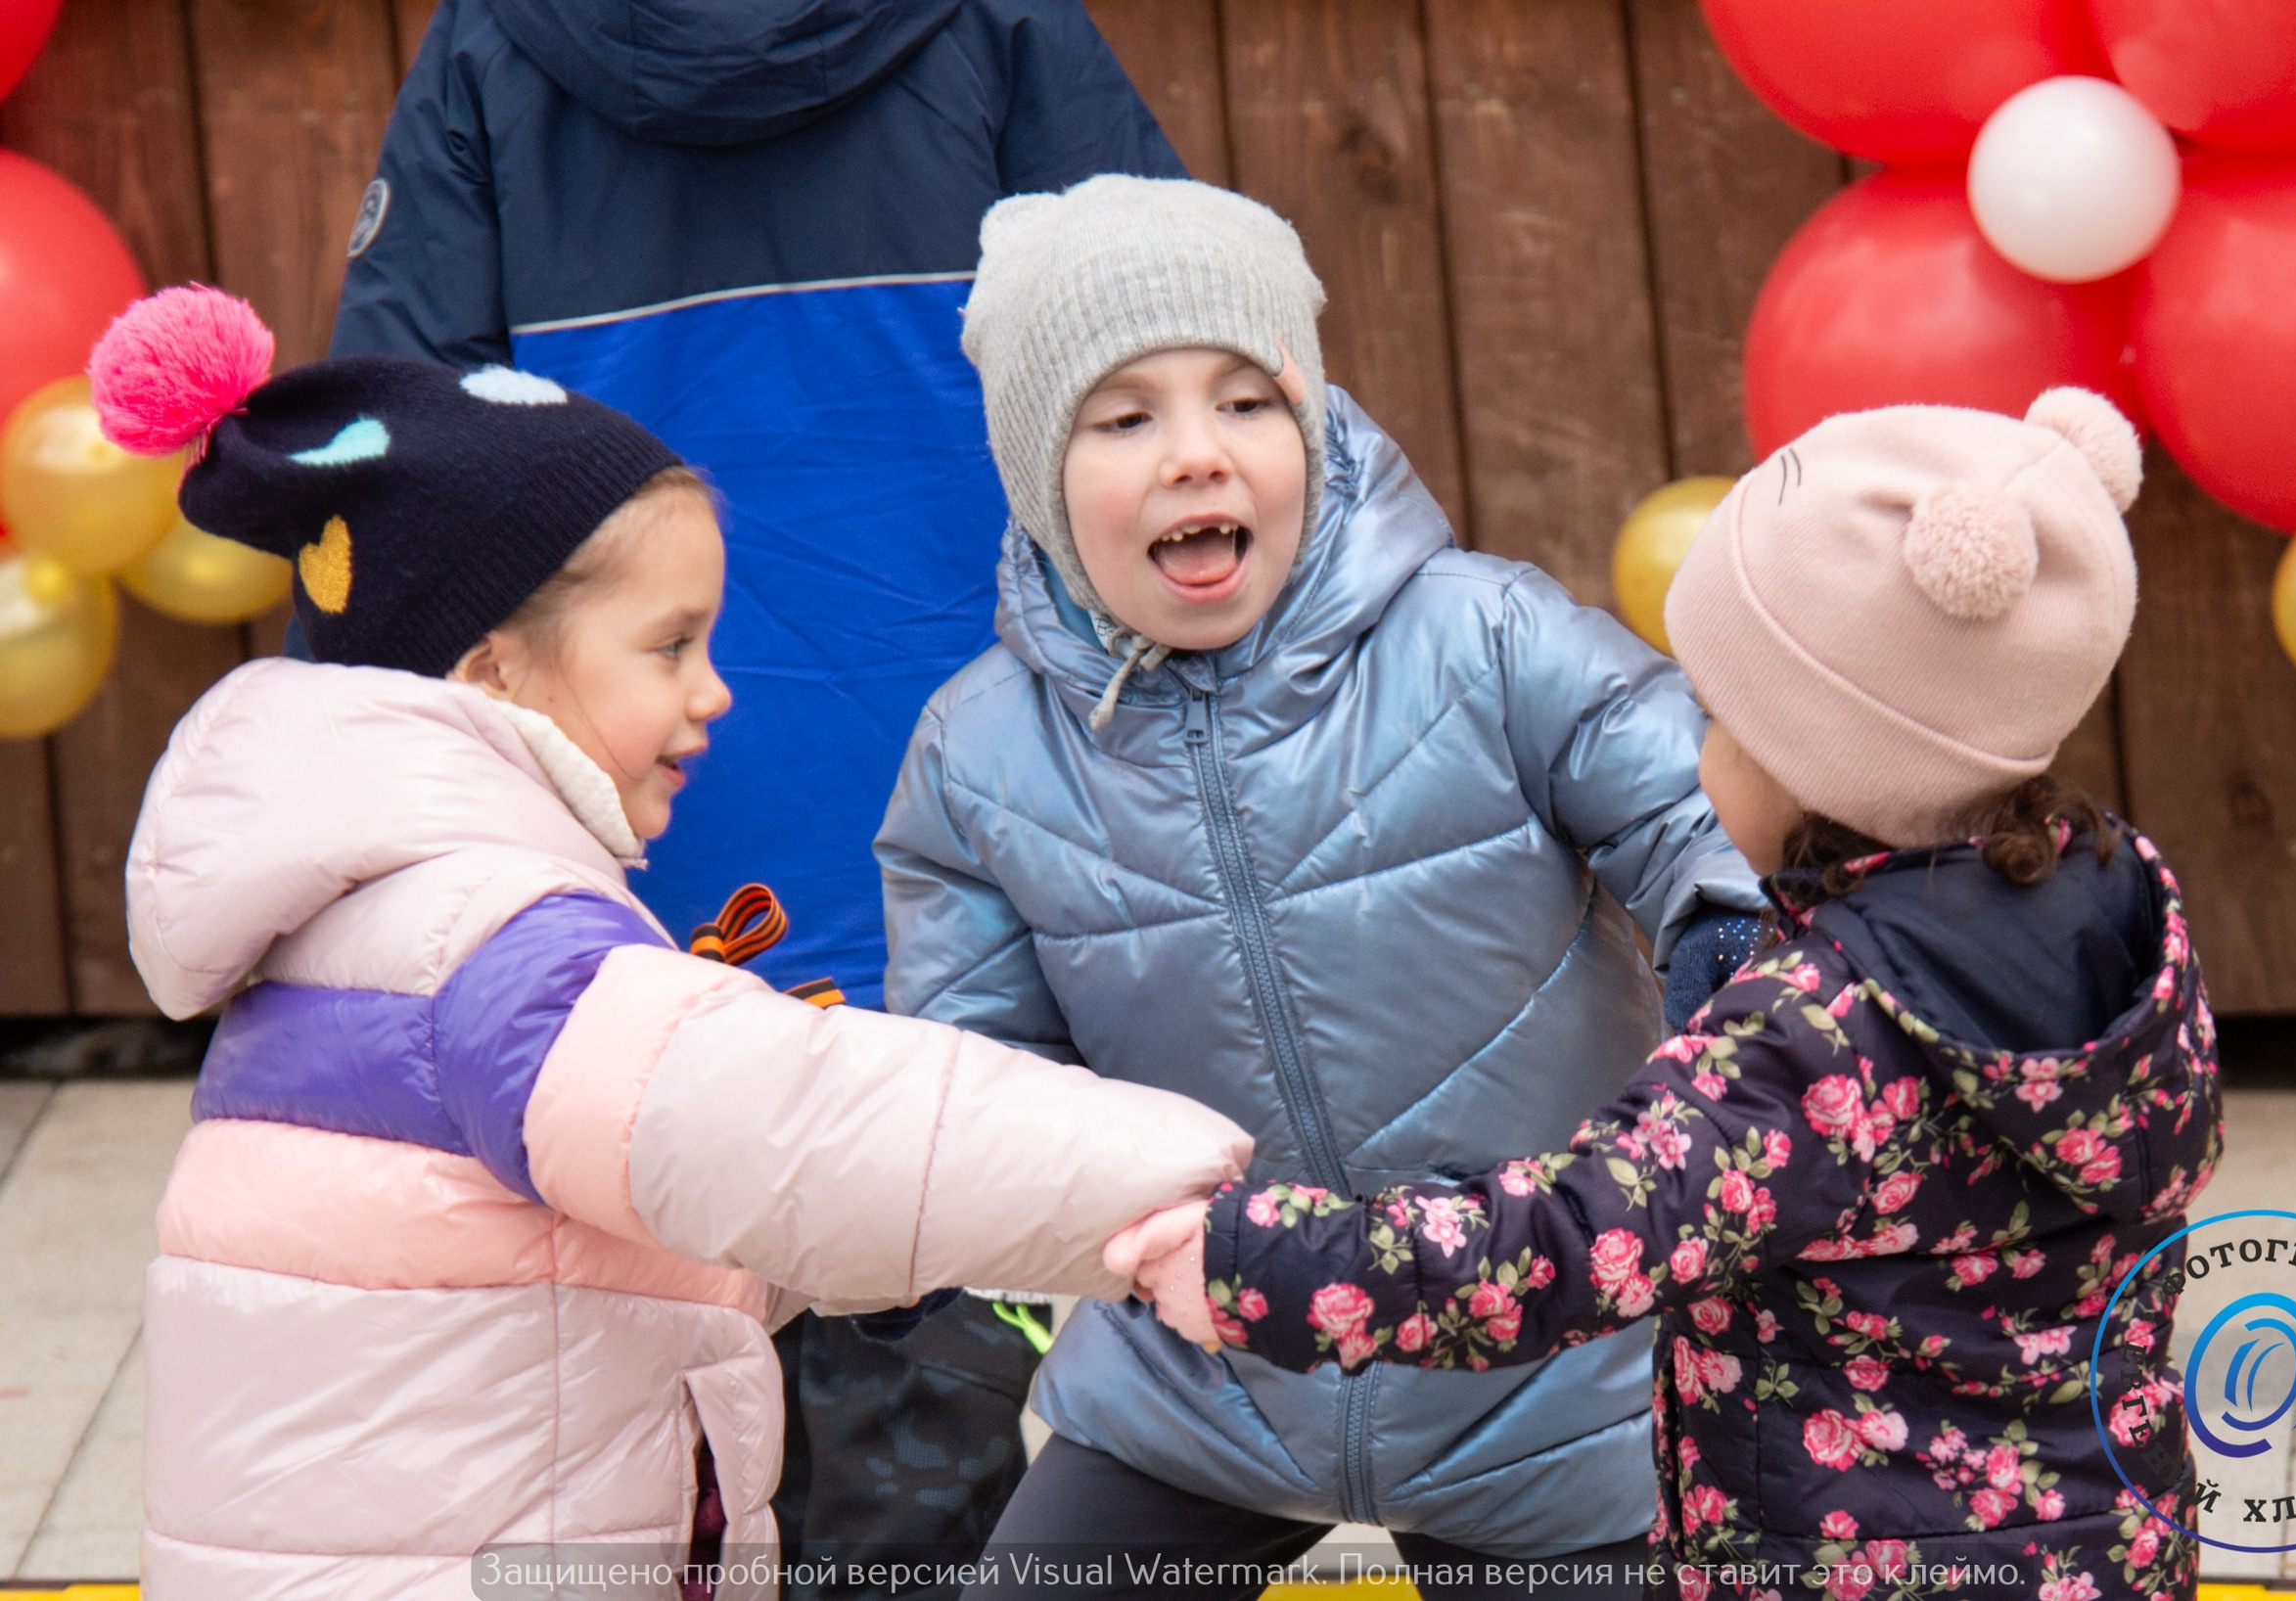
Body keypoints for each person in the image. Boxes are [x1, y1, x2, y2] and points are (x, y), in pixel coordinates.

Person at [93, 286, 1250, 1600]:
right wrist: (1190, 1201)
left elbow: (589, 1254)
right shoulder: (490, 954)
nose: (714, 692)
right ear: (493, 676)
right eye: (669, 646)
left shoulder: (365, 925)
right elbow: (800, 1127)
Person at [328, 2, 1194, 1564]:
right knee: (913, 1470)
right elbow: (1180, 368)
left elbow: (393, 484)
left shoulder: (491, 50)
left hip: (611, 903)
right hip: (954, 860)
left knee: (620, 1474)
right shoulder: (998, 27)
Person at [1121, 389, 2225, 1601]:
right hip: (2109, 1547)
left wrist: (1250, 1262)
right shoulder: (2120, 910)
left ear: (1812, 751)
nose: (1693, 743)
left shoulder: (1814, 1033)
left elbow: (1556, 1247)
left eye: (1715, 710)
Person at [874, 175, 1765, 1597]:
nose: (1196, 456)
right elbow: (974, 1068)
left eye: (1247, 401)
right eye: (1124, 418)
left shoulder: (1480, 636)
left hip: (1542, 1360)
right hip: (1201, 1383)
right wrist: (1023, 1200)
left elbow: (1681, 793)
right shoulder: (980, 755)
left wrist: (1729, 935)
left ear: (1313, 420)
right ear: (1042, 477)